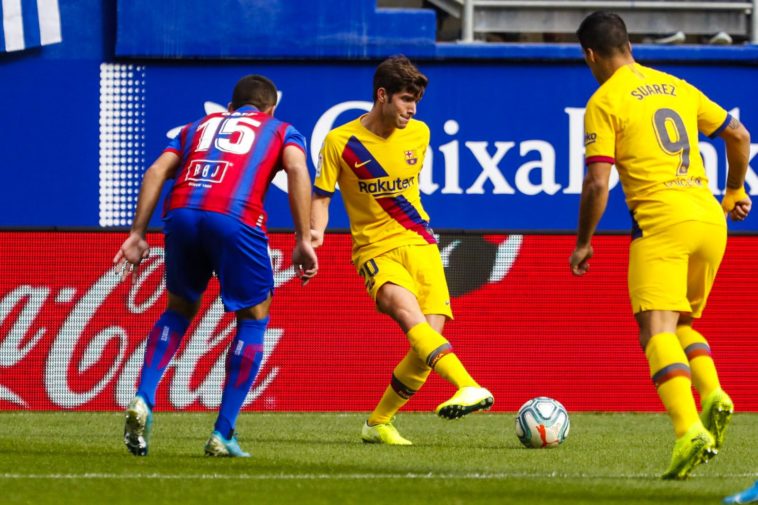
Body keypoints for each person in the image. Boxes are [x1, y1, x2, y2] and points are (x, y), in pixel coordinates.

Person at [570, 11, 751, 479]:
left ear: (590, 55)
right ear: (628, 44)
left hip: (661, 220)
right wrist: (734, 190)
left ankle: (688, 429)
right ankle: (712, 393)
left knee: (655, 331)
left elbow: (596, 183)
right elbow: (738, 134)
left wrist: (584, 241)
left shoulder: (604, 100)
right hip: (710, 218)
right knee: (683, 321)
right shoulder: (676, 85)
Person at [113, 74, 318, 457]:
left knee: (179, 309)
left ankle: (143, 396)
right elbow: (296, 169)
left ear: (230, 107)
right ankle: (223, 433)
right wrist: (303, 238)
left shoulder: (197, 126)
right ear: (271, 108)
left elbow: (157, 171)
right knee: (254, 316)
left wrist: (137, 234)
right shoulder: (281, 129)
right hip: (236, 218)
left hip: (181, 214)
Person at [310, 55, 493, 445]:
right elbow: (322, 198)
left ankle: (378, 422)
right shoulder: (340, 142)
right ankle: (469, 385)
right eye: (406, 99)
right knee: (414, 322)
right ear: (382, 95)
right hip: (375, 251)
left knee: (427, 343)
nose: (412, 109)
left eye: (416, 102)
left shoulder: (420, 133)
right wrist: (313, 238)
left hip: (421, 243)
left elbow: (403, 192)